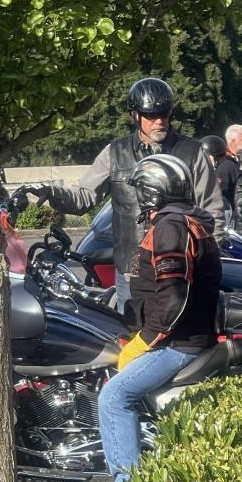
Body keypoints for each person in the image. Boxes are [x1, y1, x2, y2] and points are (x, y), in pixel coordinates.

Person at [20, 77, 223, 311]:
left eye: (165, 114)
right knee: (131, 331)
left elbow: (212, 211)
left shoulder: (193, 151)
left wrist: (208, 259)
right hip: (131, 271)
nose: (159, 121)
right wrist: (51, 192)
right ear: (134, 116)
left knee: (182, 332)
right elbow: (84, 197)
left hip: (181, 269)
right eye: (151, 115)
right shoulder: (115, 152)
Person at [97, 153, 222, 482]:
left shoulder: (171, 227)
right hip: (183, 335)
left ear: (150, 192)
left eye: (140, 190)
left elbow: (173, 296)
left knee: (113, 397)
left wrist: (145, 341)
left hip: (179, 342)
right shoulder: (184, 221)